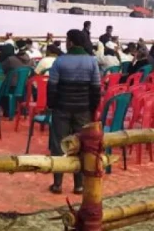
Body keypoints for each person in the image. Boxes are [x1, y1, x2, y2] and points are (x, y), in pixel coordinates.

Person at [47, 29, 101, 194]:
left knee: (59, 145)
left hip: (62, 108)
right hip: (83, 110)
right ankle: (79, 185)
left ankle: (57, 184)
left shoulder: (60, 61)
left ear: (70, 42)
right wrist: (92, 109)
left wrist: (52, 105)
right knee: (81, 146)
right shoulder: (92, 62)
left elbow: (52, 87)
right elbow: (96, 89)